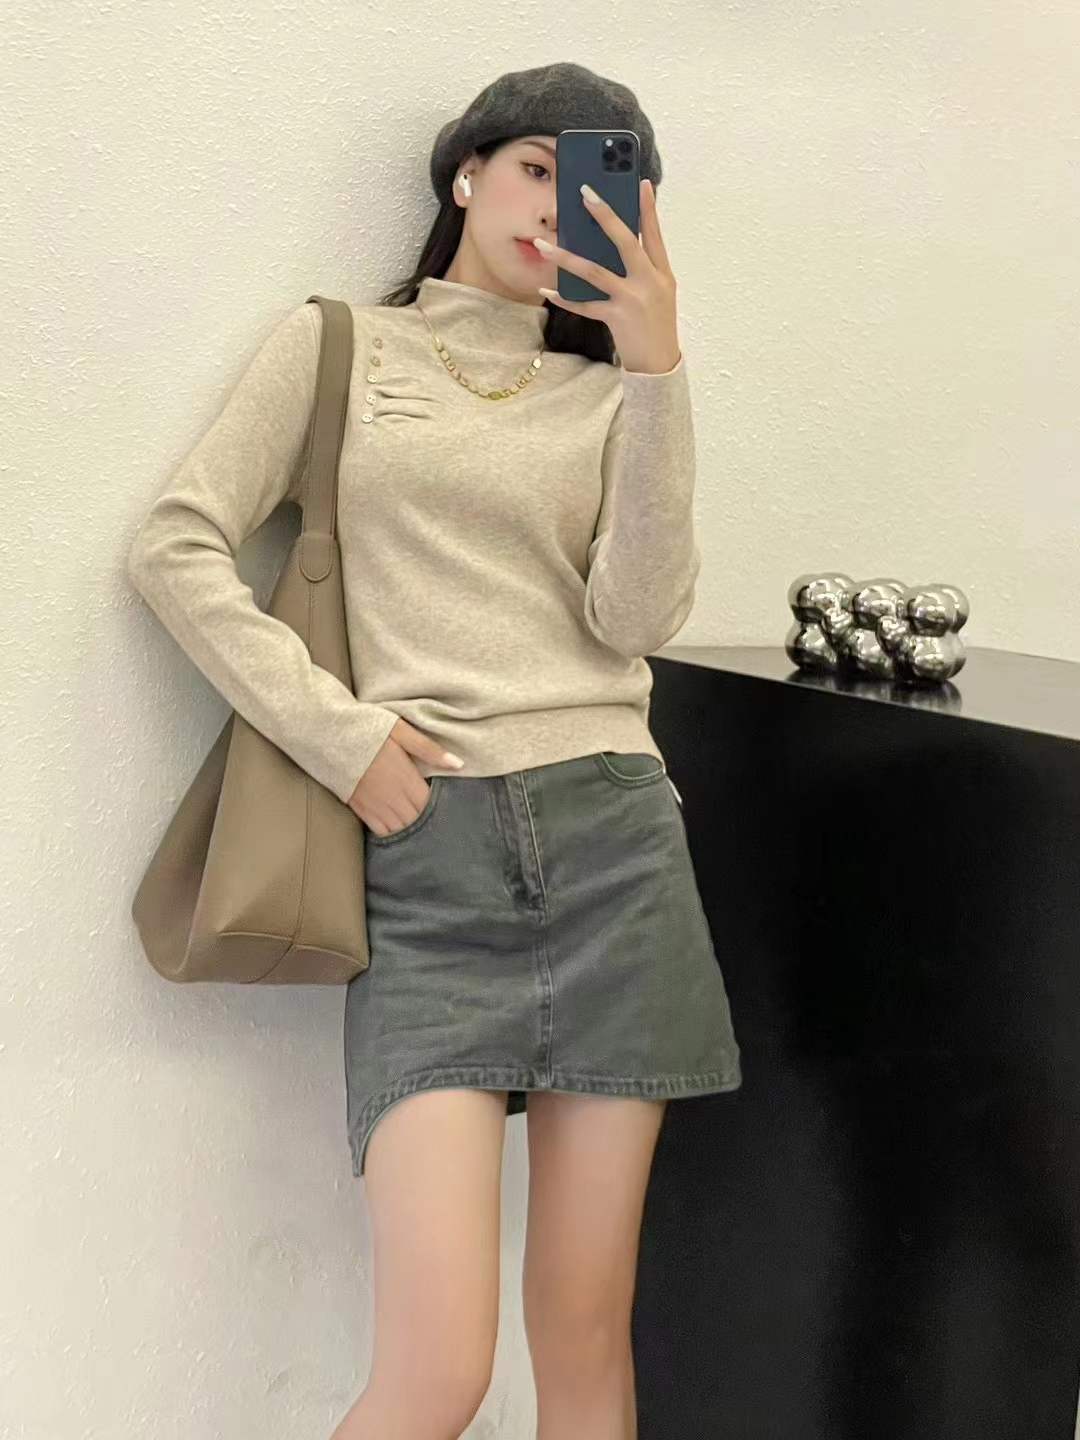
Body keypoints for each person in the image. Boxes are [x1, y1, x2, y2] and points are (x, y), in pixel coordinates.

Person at [126, 60, 742, 1440]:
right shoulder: (341, 346)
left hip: (614, 845)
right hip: (429, 858)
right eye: (534, 168)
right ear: (465, 173)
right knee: (438, 1371)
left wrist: (657, 371)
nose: (556, 206)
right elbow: (176, 545)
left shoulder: (614, 394)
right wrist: (341, 739)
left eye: (597, 187)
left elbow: (638, 618)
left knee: (584, 1344)